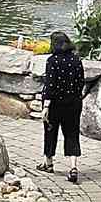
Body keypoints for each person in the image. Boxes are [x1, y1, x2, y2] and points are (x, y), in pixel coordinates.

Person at [39, 31, 86, 183]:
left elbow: (50, 85)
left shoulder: (52, 61)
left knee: (50, 132)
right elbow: (81, 82)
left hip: (55, 104)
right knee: (72, 134)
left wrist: (46, 106)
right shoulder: (76, 60)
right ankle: (73, 167)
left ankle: (49, 162)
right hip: (73, 103)